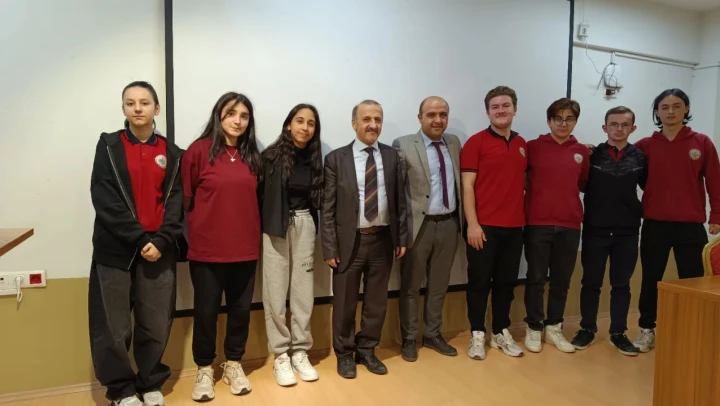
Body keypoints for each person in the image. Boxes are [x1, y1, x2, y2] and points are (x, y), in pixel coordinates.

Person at [89, 81, 184, 406]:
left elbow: (175, 203)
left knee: (155, 321)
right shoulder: (109, 146)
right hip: (115, 249)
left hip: (159, 249)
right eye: (130, 103)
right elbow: (104, 197)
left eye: (144, 102)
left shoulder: (172, 153)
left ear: (157, 108)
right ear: (123, 109)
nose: (138, 108)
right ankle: (121, 390)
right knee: (113, 326)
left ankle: (150, 382)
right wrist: (139, 238)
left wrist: (161, 240)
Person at [181, 92, 263, 401]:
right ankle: (204, 369)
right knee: (206, 312)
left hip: (245, 249)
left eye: (244, 116)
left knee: (240, 312)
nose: (238, 121)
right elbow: (185, 200)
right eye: (231, 113)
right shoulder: (198, 151)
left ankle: (233, 364)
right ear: (219, 115)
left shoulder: (252, 155)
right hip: (207, 251)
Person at [321, 99, 408, 378]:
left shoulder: (392, 156)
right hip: (350, 242)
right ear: (354, 123)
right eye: (367, 119)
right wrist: (329, 247)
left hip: (383, 240)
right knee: (345, 302)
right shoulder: (336, 159)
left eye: (378, 120)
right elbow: (328, 208)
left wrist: (401, 238)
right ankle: (344, 353)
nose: (373, 125)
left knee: (376, 302)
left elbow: (400, 201)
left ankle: (367, 350)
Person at [632, 88, 720, 352]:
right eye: (665, 107)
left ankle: (692, 331)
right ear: (657, 112)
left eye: (677, 106)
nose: (670, 111)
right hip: (655, 225)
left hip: (691, 226)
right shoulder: (645, 146)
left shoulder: (701, 142)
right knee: (651, 279)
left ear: (686, 109)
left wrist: (716, 215)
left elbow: (715, 181)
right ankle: (647, 329)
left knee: (693, 282)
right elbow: (624, 167)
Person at [571, 106, 646, 356]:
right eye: (614, 124)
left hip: (627, 231)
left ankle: (618, 333)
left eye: (625, 125)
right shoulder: (591, 155)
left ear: (633, 128)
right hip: (596, 229)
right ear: (605, 127)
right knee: (591, 283)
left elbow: (651, 188)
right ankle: (587, 329)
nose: (619, 129)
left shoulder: (640, 157)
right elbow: (579, 184)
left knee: (621, 285)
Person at [392, 96, 463, 362]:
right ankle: (409, 338)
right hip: (417, 226)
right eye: (431, 114)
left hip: (449, 224)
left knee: (439, 285)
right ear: (420, 117)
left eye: (443, 114)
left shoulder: (454, 143)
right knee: (411, 286)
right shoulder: (403, 144)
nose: (437, 120)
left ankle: (433, 334)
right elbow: (397, 192)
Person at [460, 86, 527, 360]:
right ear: (487, 112)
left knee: (506, 284)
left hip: (514, 228)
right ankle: (477, 333)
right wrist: (473, 225)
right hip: (483, 228)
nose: (501, 110)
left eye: (506, 105)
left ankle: (500, 331)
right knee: (479, 283)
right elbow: (467, 186)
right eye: (495, 107)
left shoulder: (523, 144)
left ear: (515, 109)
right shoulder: (475, 142)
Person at [260, 104, 323, 386]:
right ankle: (281, 354)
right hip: (276, 227)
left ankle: (300, 351)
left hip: (305, 224)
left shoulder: (315, 159)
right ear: (289, 124)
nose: (304, 128)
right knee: (275, 292)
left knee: (303, 292)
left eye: (310, 123)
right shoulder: (270, 157)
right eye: (299, 121)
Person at [523, 98, 589, 354]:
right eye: (558, 118)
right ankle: (534, 327)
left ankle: (554, 328)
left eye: (569, 119)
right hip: (537, 223)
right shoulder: (532, 147)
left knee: (562, 280)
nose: (563, 123)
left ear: (575, 122)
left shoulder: (582, 151)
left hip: (570, 225)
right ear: (549, 121)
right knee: (536, 279)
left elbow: (582, 184)